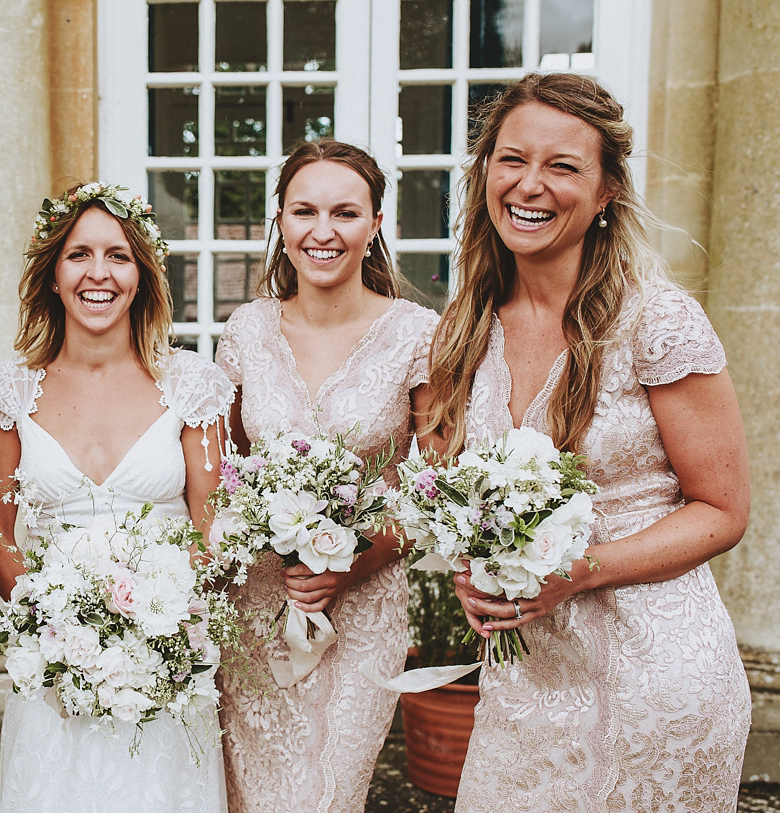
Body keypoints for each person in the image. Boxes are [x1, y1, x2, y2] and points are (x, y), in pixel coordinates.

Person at [416, 73, 751, 810]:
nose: (530, 185)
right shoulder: (465, 330)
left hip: (658, 682)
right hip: (527, 682)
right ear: (484, 173)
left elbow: (722, 509)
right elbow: (451, 490)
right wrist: (473, 571)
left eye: (563, 166)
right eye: (512, 159)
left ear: (605, 193)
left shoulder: (657, 321)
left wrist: (581, 568)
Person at [0, 182, 233, 812]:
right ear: (53, 276)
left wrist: (158, 630)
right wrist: (55, 628)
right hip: (52, 662)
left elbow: (214, 522)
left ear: (141, 276)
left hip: (167, 659)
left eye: (118, 256)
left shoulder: (193, 384)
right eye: (79, 255)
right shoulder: (8, 393)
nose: (99, 274)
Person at [214, 139, 439, 813]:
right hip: (257, 601)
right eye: (304, 210)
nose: (323, 231)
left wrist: (355, 557)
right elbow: (220, 471)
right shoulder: (247, 330)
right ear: (279, 222)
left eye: (345, 213)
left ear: (374, 226)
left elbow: (437, 488)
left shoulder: (417, 335)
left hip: (362, 608)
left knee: (326, 794)